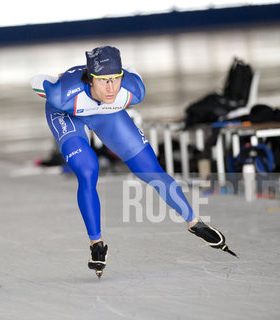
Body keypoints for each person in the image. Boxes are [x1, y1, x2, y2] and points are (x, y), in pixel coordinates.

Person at [30, 46, 236, 278]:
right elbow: (37, 81)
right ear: (91, 79)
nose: (111, 88)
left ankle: (194, 222)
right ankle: (97, 244)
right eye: (104, 81)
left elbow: (130, 71)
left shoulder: (132, 90)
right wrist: (54, 78)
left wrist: (118, 80)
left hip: (107, 113)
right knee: (88, 171)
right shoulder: (62, 93)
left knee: (151, 170)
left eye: (115, 79)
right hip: (67, 113)